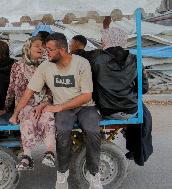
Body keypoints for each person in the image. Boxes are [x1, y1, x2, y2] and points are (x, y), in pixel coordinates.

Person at [9, 33, 102, 189]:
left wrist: (59, 107)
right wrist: (15, 113)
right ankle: (62, 174)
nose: (47, 53)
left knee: (93, 132)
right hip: (64, 108)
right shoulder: (45, 66)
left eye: (50, 50)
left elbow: (87, 96)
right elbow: (28, 92)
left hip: (85, 107)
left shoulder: (82, 63)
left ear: (63, 50)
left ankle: (94, 175)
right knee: (63, 132)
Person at [88, 28, 153, 166]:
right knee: (144, 114)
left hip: (106, 111)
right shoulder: (135, 59)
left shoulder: (95, 59)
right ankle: (138, 152)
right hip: (130, 110)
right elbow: (144, 88)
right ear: (123, 40)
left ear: (106, 40)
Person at [5, 36, 56, 170]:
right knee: (26, 119)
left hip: (43, 103)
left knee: (48, 117)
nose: (41, 48)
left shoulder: (47, 65)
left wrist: (44, 104)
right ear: (28, 48)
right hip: (24, 104)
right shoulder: (18, 66)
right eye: (37, 45)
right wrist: (6, 107)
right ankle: (27, 157)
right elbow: (11, 88)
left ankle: (50, 153)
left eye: (42, 46)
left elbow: (52, 90)